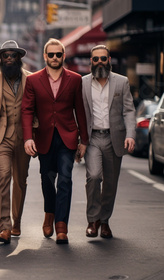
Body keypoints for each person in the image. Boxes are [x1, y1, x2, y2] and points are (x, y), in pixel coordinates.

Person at [21, 38, 89, 244]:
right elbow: (27, 110)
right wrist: (27, 138)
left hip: (68, 137)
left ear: (63, 56)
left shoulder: (76, 79)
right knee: (46, 179)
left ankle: (61, 225)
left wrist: (84, 140)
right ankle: (49, 212)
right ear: (45, 56)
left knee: (66, 179)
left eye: (58, 54)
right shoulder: (33, 80)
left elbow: (80, 110)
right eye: (51, 54)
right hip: (44, 138)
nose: (54, 58)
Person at [0, 40, 35, 244]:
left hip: (23, 138)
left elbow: (36, 110)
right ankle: (4, 227)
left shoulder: (31, 79)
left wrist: (33, 136)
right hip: (0, 139)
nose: (9, 59)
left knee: (20, 180)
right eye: (6, 55)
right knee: (3, 176)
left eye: (13, 55)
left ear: (20, 58)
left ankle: (17, 220)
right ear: (1, 59)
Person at [82, 45, 136, 239]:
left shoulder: (121, 82)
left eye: (103, 59)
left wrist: (130, 134)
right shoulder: (83, 83)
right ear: (91, 61)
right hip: (93, 138)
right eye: (95, 59)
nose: (99, 62)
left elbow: (128, 110)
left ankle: (104, 222)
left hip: (115, 138)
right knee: (94, 176)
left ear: (109, 59)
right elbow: (77, 112)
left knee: (111, 183)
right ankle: (92, 220)